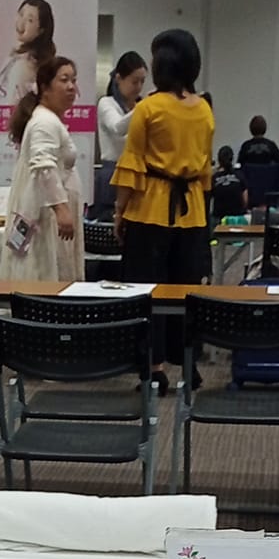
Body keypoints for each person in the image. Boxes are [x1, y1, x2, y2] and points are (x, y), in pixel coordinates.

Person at [112, 27, 215, 381]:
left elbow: (132, 165)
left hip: (149, 209)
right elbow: (205, 169)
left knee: (147, 290)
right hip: (193, 211)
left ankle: (154, 368)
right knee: (186, 290)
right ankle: (187, 362)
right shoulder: (204, 109)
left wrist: (119, 212)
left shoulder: (149, 108)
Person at [3, 54, 85, 284]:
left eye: (74, 80)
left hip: (49, 215)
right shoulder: (44, 122)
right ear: (45, 88)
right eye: (64, 80)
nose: (71, 87)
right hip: (46, 217)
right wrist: (62, 210)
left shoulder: (49, 119)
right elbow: (44, 166)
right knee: (45, 273)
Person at [0, 0, 55, 104]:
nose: (21, 23)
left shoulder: (24, 66)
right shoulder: (17, 57)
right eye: (21, 14)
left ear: (41, 30)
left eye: (30, 20)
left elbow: (13, 107)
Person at [97, 50, 146, 165]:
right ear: (119, 79)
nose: (139, 87)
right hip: (113, 167)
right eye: (134, 82)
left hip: (138, 167)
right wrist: (143, 108)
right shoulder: (106, 103)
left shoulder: (140, 105)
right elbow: (117, 128)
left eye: (142, 81)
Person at [209, 144, 247, 222]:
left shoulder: (214, 178)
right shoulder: (239, 175)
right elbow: (245, 200)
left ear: (219, 160)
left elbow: (209, 198)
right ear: (232, 159)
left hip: (219, 218)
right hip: (237, 218)